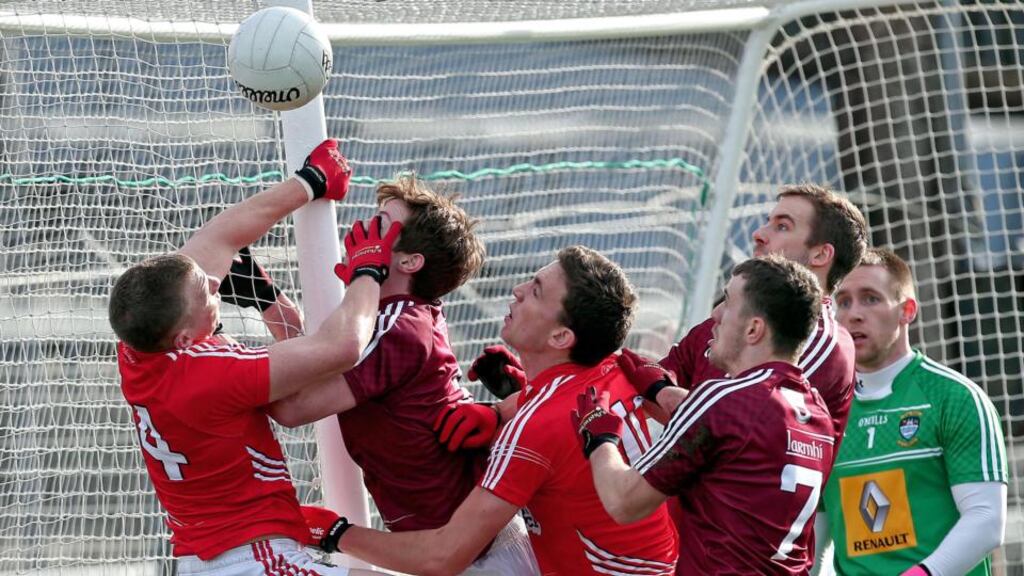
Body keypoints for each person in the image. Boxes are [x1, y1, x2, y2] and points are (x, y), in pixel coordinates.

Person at [108, 139, 398, 575]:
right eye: (204, 291)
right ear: (185, 339)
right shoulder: (211, 374)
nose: (214, 283)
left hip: (215, 556)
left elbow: (219, 236)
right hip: (252, 558)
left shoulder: (139, 343)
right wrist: (368, 272)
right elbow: (342, 347)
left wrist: (309, 182)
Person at [300, 246, 679, 576]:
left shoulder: (536, 428)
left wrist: (336, 533)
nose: (516, 292)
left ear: (561, 338)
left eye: (535, 292)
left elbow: (443, 556)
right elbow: (563, 413)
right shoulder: (615, 365)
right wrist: (501, 411)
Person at [266, 176, 537, 574]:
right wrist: (271, 301)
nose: (362, 231)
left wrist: (217, 355)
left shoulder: (398, 325)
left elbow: (293, 405)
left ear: (409, 261)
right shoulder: (397, 317)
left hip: (476, 559)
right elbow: (318, 367)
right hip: (469, 547)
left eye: (380, 224)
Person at [578, 255, 835, 575]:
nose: (715, 314)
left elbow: (623, 502)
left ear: (754, 329)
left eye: (728, 301)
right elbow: (729, 438)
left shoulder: (723, 397)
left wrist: (599, 437)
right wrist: (662, 391)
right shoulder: (817, 414)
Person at [814, 248, 1007, 576]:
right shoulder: (824, 412)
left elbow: (986, 519)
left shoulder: (955, 398)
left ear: (907, 310)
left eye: (871, 299)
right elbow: (813, 538)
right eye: (843, 302)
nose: (854, 314)